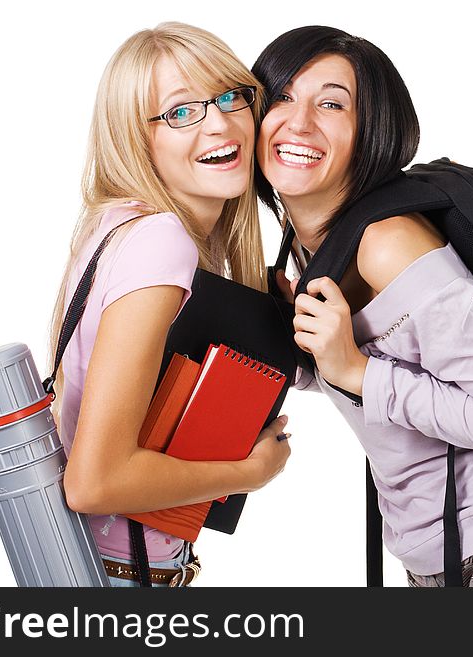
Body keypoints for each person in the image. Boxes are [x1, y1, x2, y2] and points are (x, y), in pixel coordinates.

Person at [253, 25, 473, 587]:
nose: (299, 122)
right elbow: (376, 371)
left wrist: (355, 368)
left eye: (331, 104)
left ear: (368, 133)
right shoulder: (305, 249)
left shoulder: (389, 244)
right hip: (443, 551)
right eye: (282, 96)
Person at [48, 23, 291, 587]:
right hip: (122, 575)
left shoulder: (118, 225)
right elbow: (94, 483)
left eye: (232, 96)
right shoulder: (162, 242)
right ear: (136, 137)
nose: (221, 123)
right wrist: (248, 473)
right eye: (181, 112)